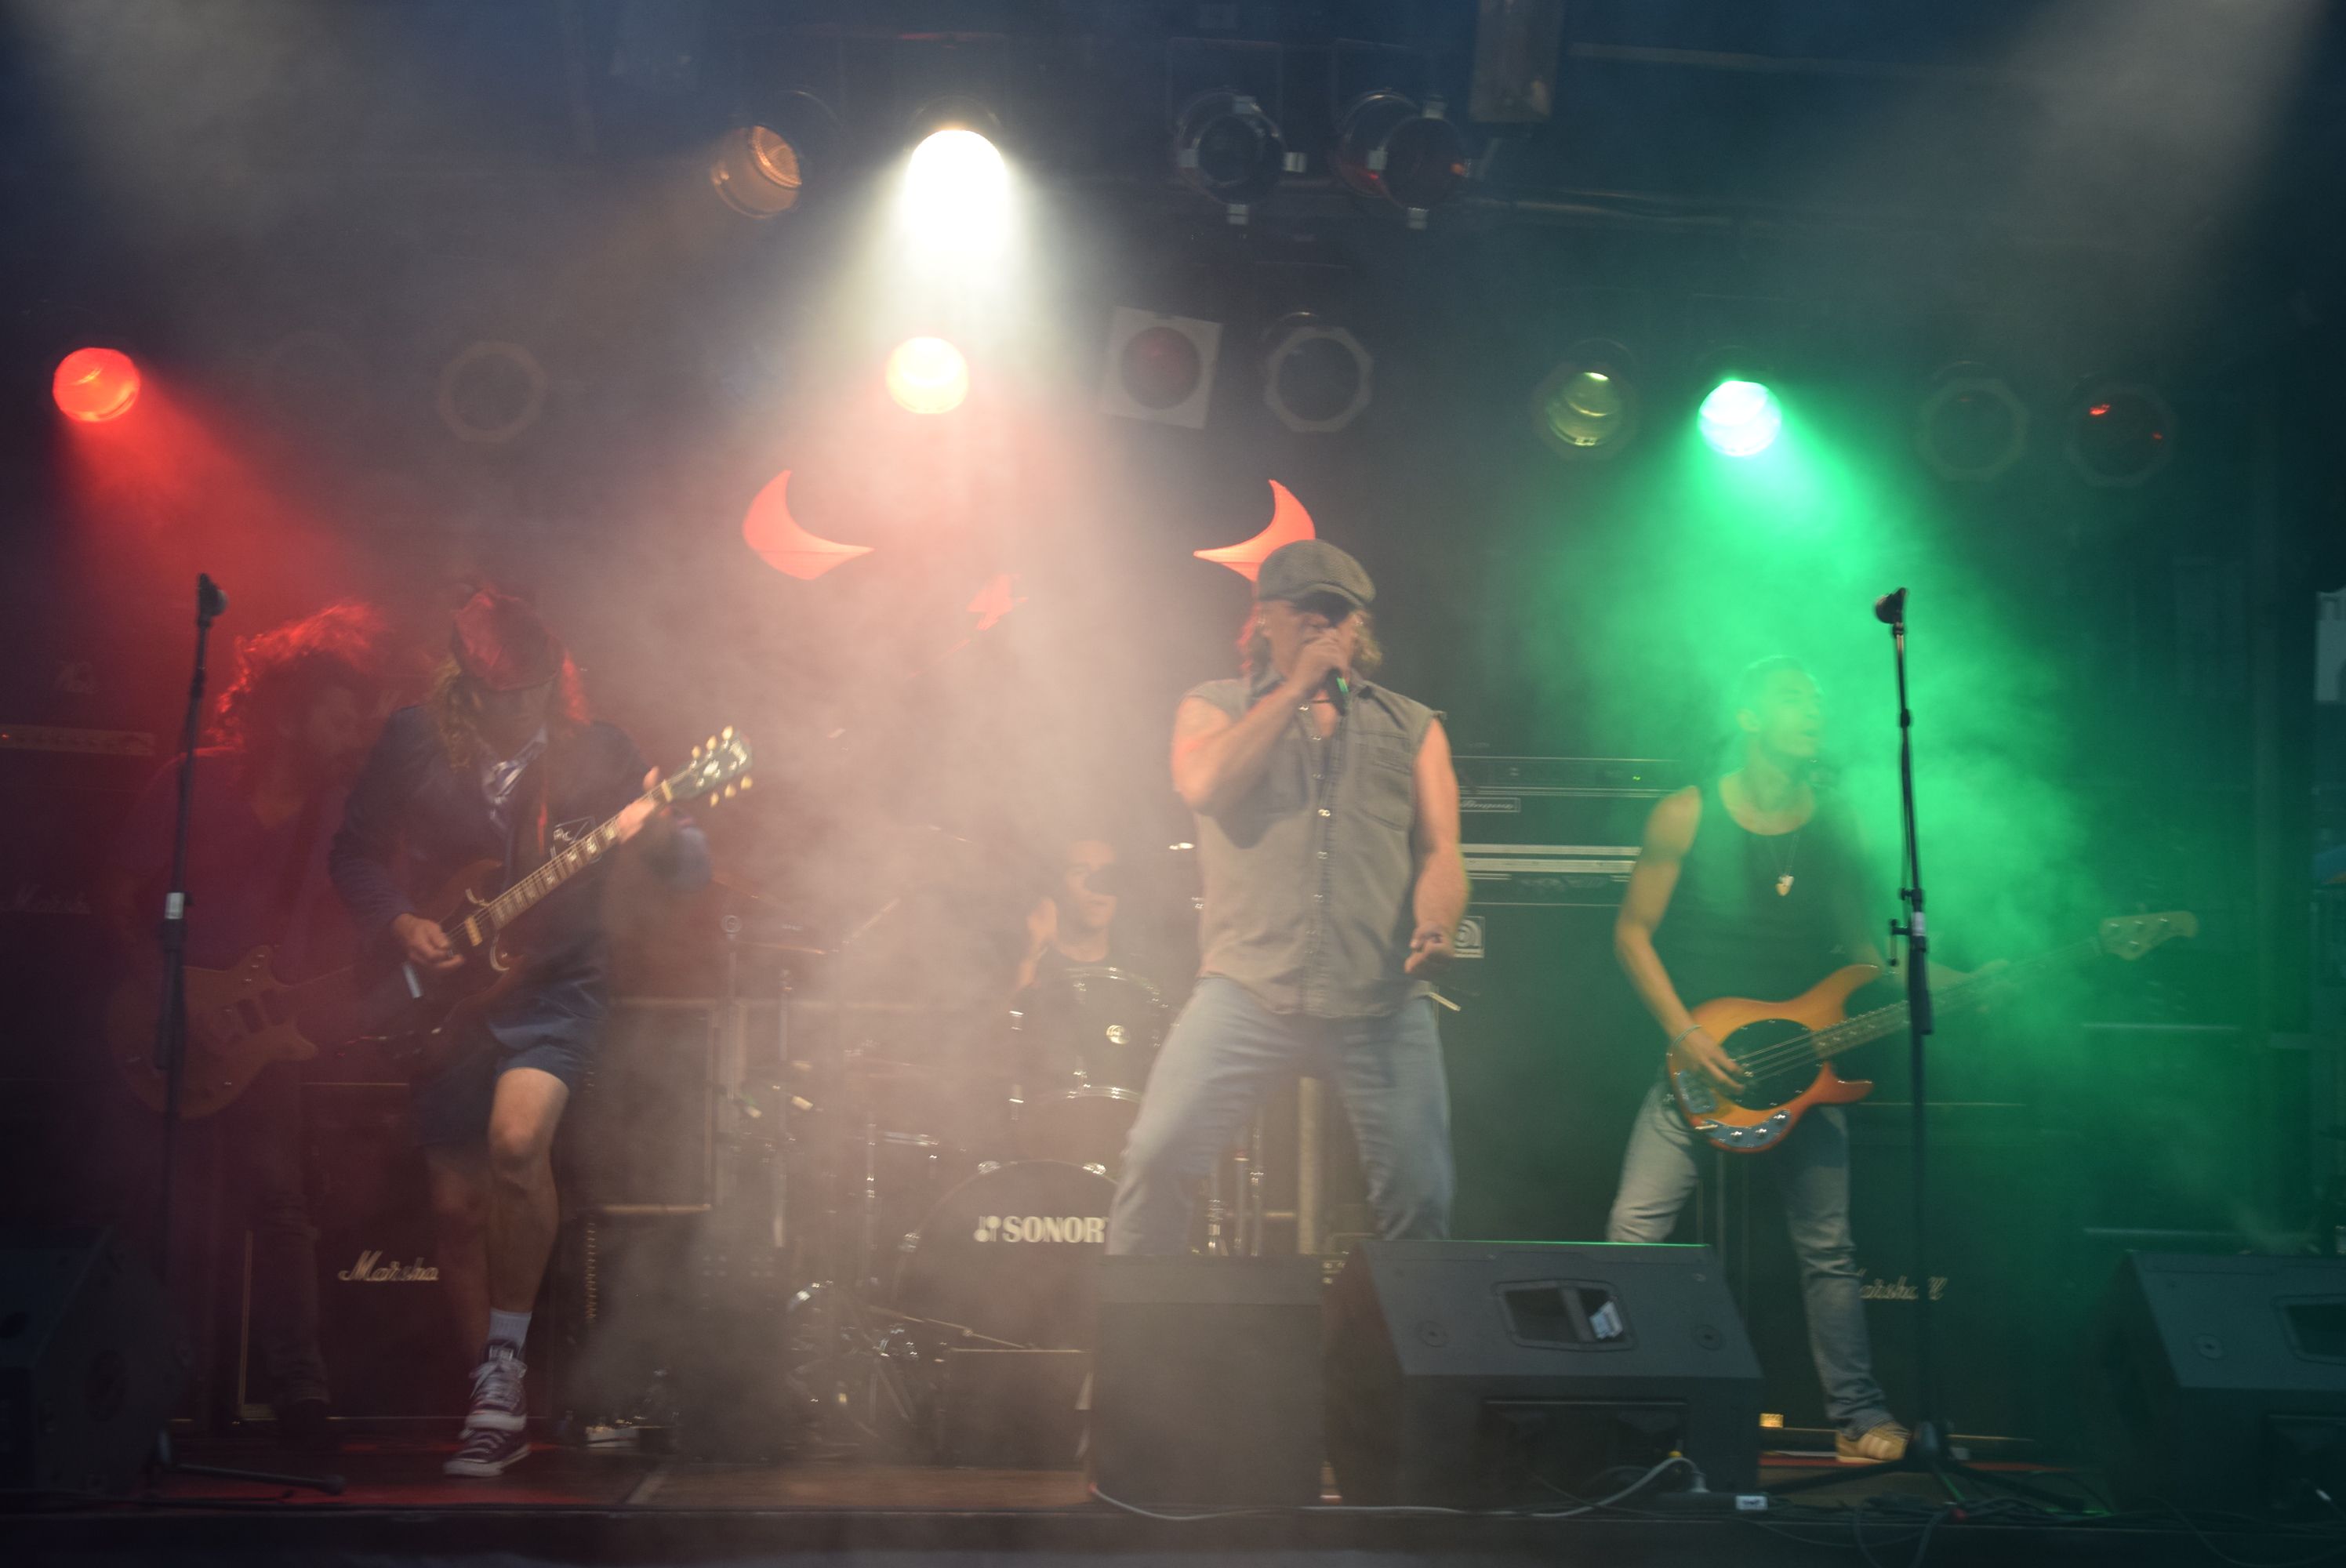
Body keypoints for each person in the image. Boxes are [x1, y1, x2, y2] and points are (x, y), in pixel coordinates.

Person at [329, 588, 710, 1477]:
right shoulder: (414, 740)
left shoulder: (602, 752)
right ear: (463, 685)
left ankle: (504, 1360)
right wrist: (401, 923)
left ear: (554, 678)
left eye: (534, 689)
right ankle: (492, 1400)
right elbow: (352, 852)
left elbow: (690, 867)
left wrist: (660, 832)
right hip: (447, 993)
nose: (519, 708)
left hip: (556, 986)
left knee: (515, 1141)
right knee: (456, 1208)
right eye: (500, 694)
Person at [1604, 655, 1934, 1464]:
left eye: (1818, 699)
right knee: (1632, 1232)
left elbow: (1863, 950)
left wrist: (1962, 983)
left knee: (1829, 1249)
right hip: (1702, 1059)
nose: (1813, 711)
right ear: (1747, 716)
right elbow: (1631, 934)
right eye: (1793, 697)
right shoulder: (1686, 812)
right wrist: (1685, 1034)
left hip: (1804, 1064)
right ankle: (1618, 1410)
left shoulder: (1837, 817)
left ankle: (1857, 1418)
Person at [1107, 540, 1467, 1254]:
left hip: (1380, 998)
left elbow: (1441, 850)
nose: (1323, 625)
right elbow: (1204, 785)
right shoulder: (1215, 706)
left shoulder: (1414, 726)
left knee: (1422, 1196)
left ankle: (1400, 1332)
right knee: (1157, 1156)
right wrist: (1295, 688)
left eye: (1338, 613)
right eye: (1306, 610)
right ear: (1264, 618)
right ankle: (1138, 1325)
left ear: (1360, 626)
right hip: (1249, 987)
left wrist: (1436, 922)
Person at [102, 601, 390, 1450]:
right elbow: (115, 895)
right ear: (289, 715)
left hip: (268, 1035)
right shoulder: (191, 782)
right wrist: (168, 989)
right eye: (339, 719)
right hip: (163, 1026)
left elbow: (357, 933)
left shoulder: (343, 817)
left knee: (281, 1204)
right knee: (154, 1203)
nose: (352, 737)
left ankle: (300, 1394)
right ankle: (134, 1382)